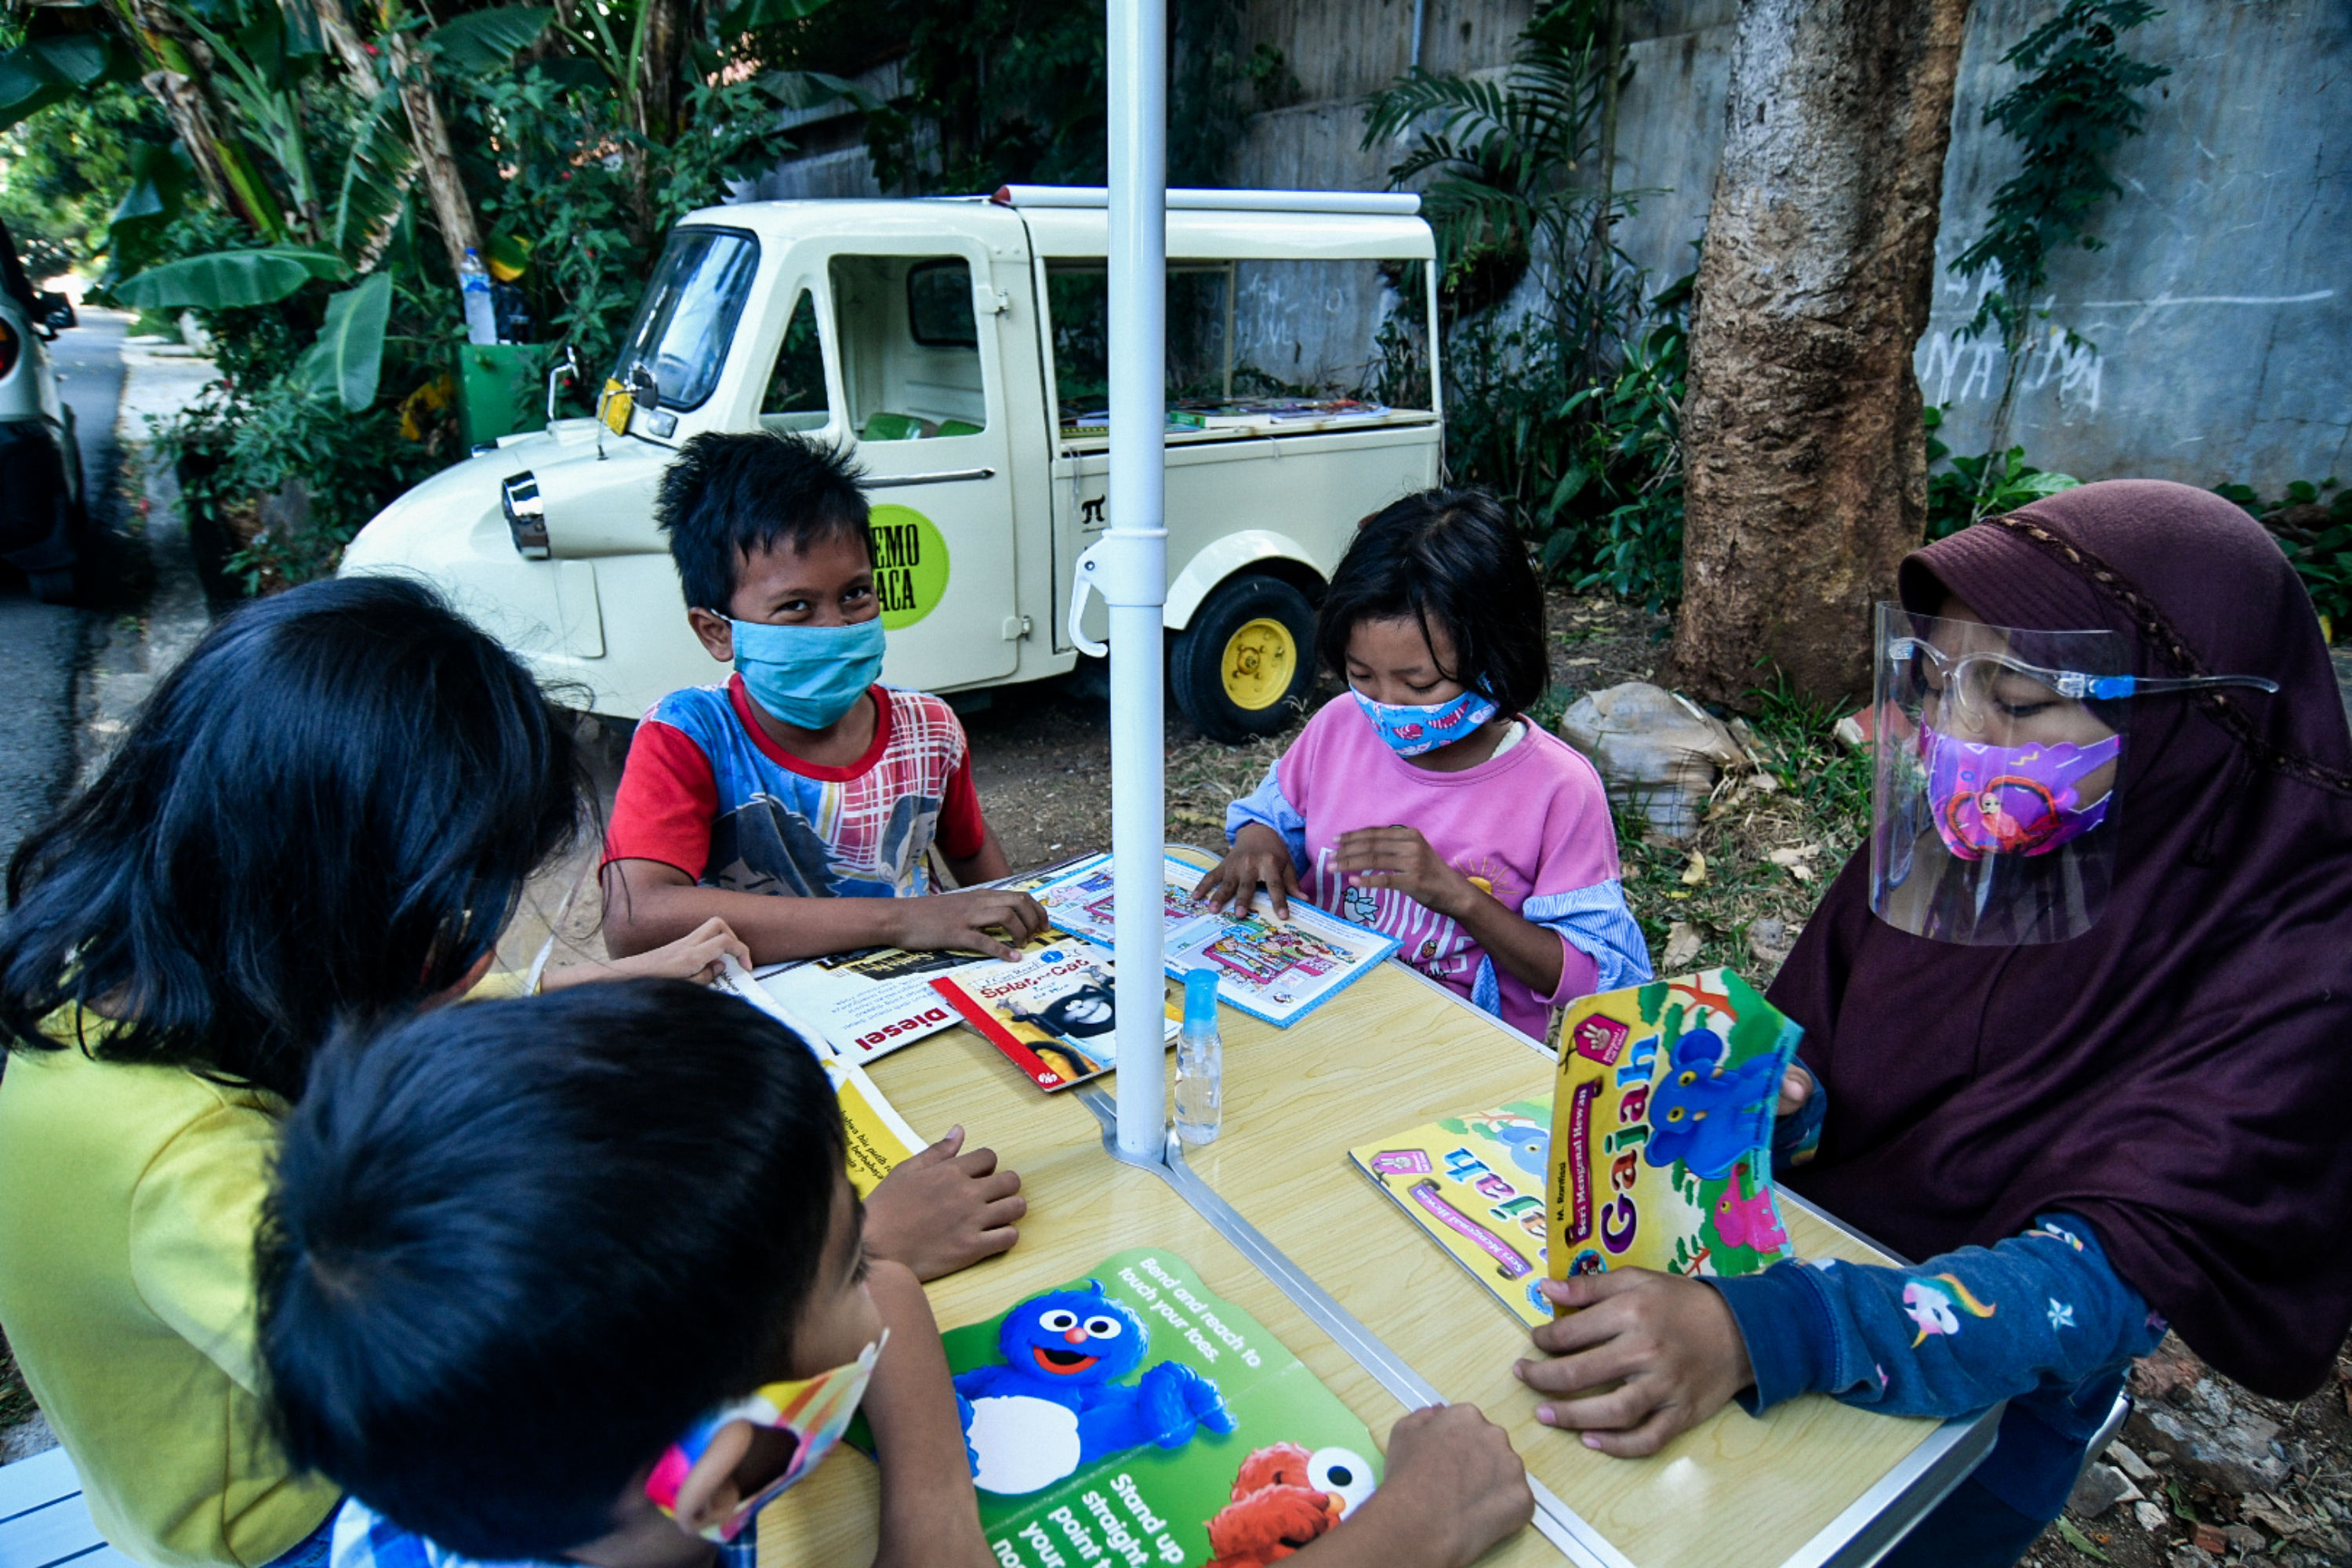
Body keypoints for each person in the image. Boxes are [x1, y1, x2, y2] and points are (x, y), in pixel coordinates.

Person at [0, 579, 1008, 1568]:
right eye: (448, 916)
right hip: (305, 1511)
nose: (479, 955)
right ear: (318, 903)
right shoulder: (177, 1163)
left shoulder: (192, 954)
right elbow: (490, 1376)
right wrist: (849, 1248)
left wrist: (615, 980)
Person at [1508, 481, 2352, 1568]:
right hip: (1766, 1318)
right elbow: (1820, 1058)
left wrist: (1764, 1333)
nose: (1959, 735)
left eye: (2017, 698)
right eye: (1939, 683)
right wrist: (1781, 1100)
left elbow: (2098, 1282)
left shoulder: (2299, 963)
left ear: (2194, 725)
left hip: (1976, 1419)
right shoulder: (1952, 846)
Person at [257, 981, 1541, 1568]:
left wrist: (931, 1513)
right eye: (843, 1254)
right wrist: (1411, 1531)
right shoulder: (689, 1466)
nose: (878, 1261)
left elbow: (897, 1304)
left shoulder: (598, 1472)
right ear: (722, 1451)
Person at [1196, 488, 1651, 1041]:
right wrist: (1258, 841)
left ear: (1498, 653)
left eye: (1420, 684)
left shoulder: (1558, 788)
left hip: (1455, 1051)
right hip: (1316, 1022)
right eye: (1361, 675)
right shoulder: (1340, 726)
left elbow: (1598, 981)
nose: (1387, 705)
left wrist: (1458, 897)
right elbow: (1272, 816)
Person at [601, 432, 1047, 966]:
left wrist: (1029, 945)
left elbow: (972, 853)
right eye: (796, 607)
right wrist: (899, 920)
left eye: (855, 594)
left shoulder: (930, 728)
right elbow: (634, 920)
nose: (834, 627)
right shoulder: (689, 735)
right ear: (717, 632)